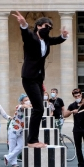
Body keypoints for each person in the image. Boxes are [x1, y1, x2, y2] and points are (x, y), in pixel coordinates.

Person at [11, 11, 68, 148]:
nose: (47, 29)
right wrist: (23, 24)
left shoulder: (46, 40)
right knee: (39, 109)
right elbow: (25, 34)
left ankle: (33, 139)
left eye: (49, 27)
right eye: (45, 26)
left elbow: (57, 40)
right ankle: (32, 140)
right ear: (38, 26)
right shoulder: (31, 37)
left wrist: (64, 36)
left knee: (39, 108)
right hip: (29, 77)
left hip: (38, 78)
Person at [64, 88, 84, 167]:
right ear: (73, 96)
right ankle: (80, 165)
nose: (77, 97)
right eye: (76, 96)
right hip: (76, 128)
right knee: (78, 148)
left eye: (79, 95)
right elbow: (65, 114)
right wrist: (72, 111)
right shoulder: (72, 105)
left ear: (81, 95)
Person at [4, 94, 29, 167]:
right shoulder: (19, 107)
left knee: (21, 145)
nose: (27, 102)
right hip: (13, 129)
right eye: (25, 100)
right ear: (21, 101)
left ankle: (8, 157)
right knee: (12, 146)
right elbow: (23, 106)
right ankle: (14, 163)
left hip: (21, 130)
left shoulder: (29, 110)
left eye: (28, 100)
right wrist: (29, 105)